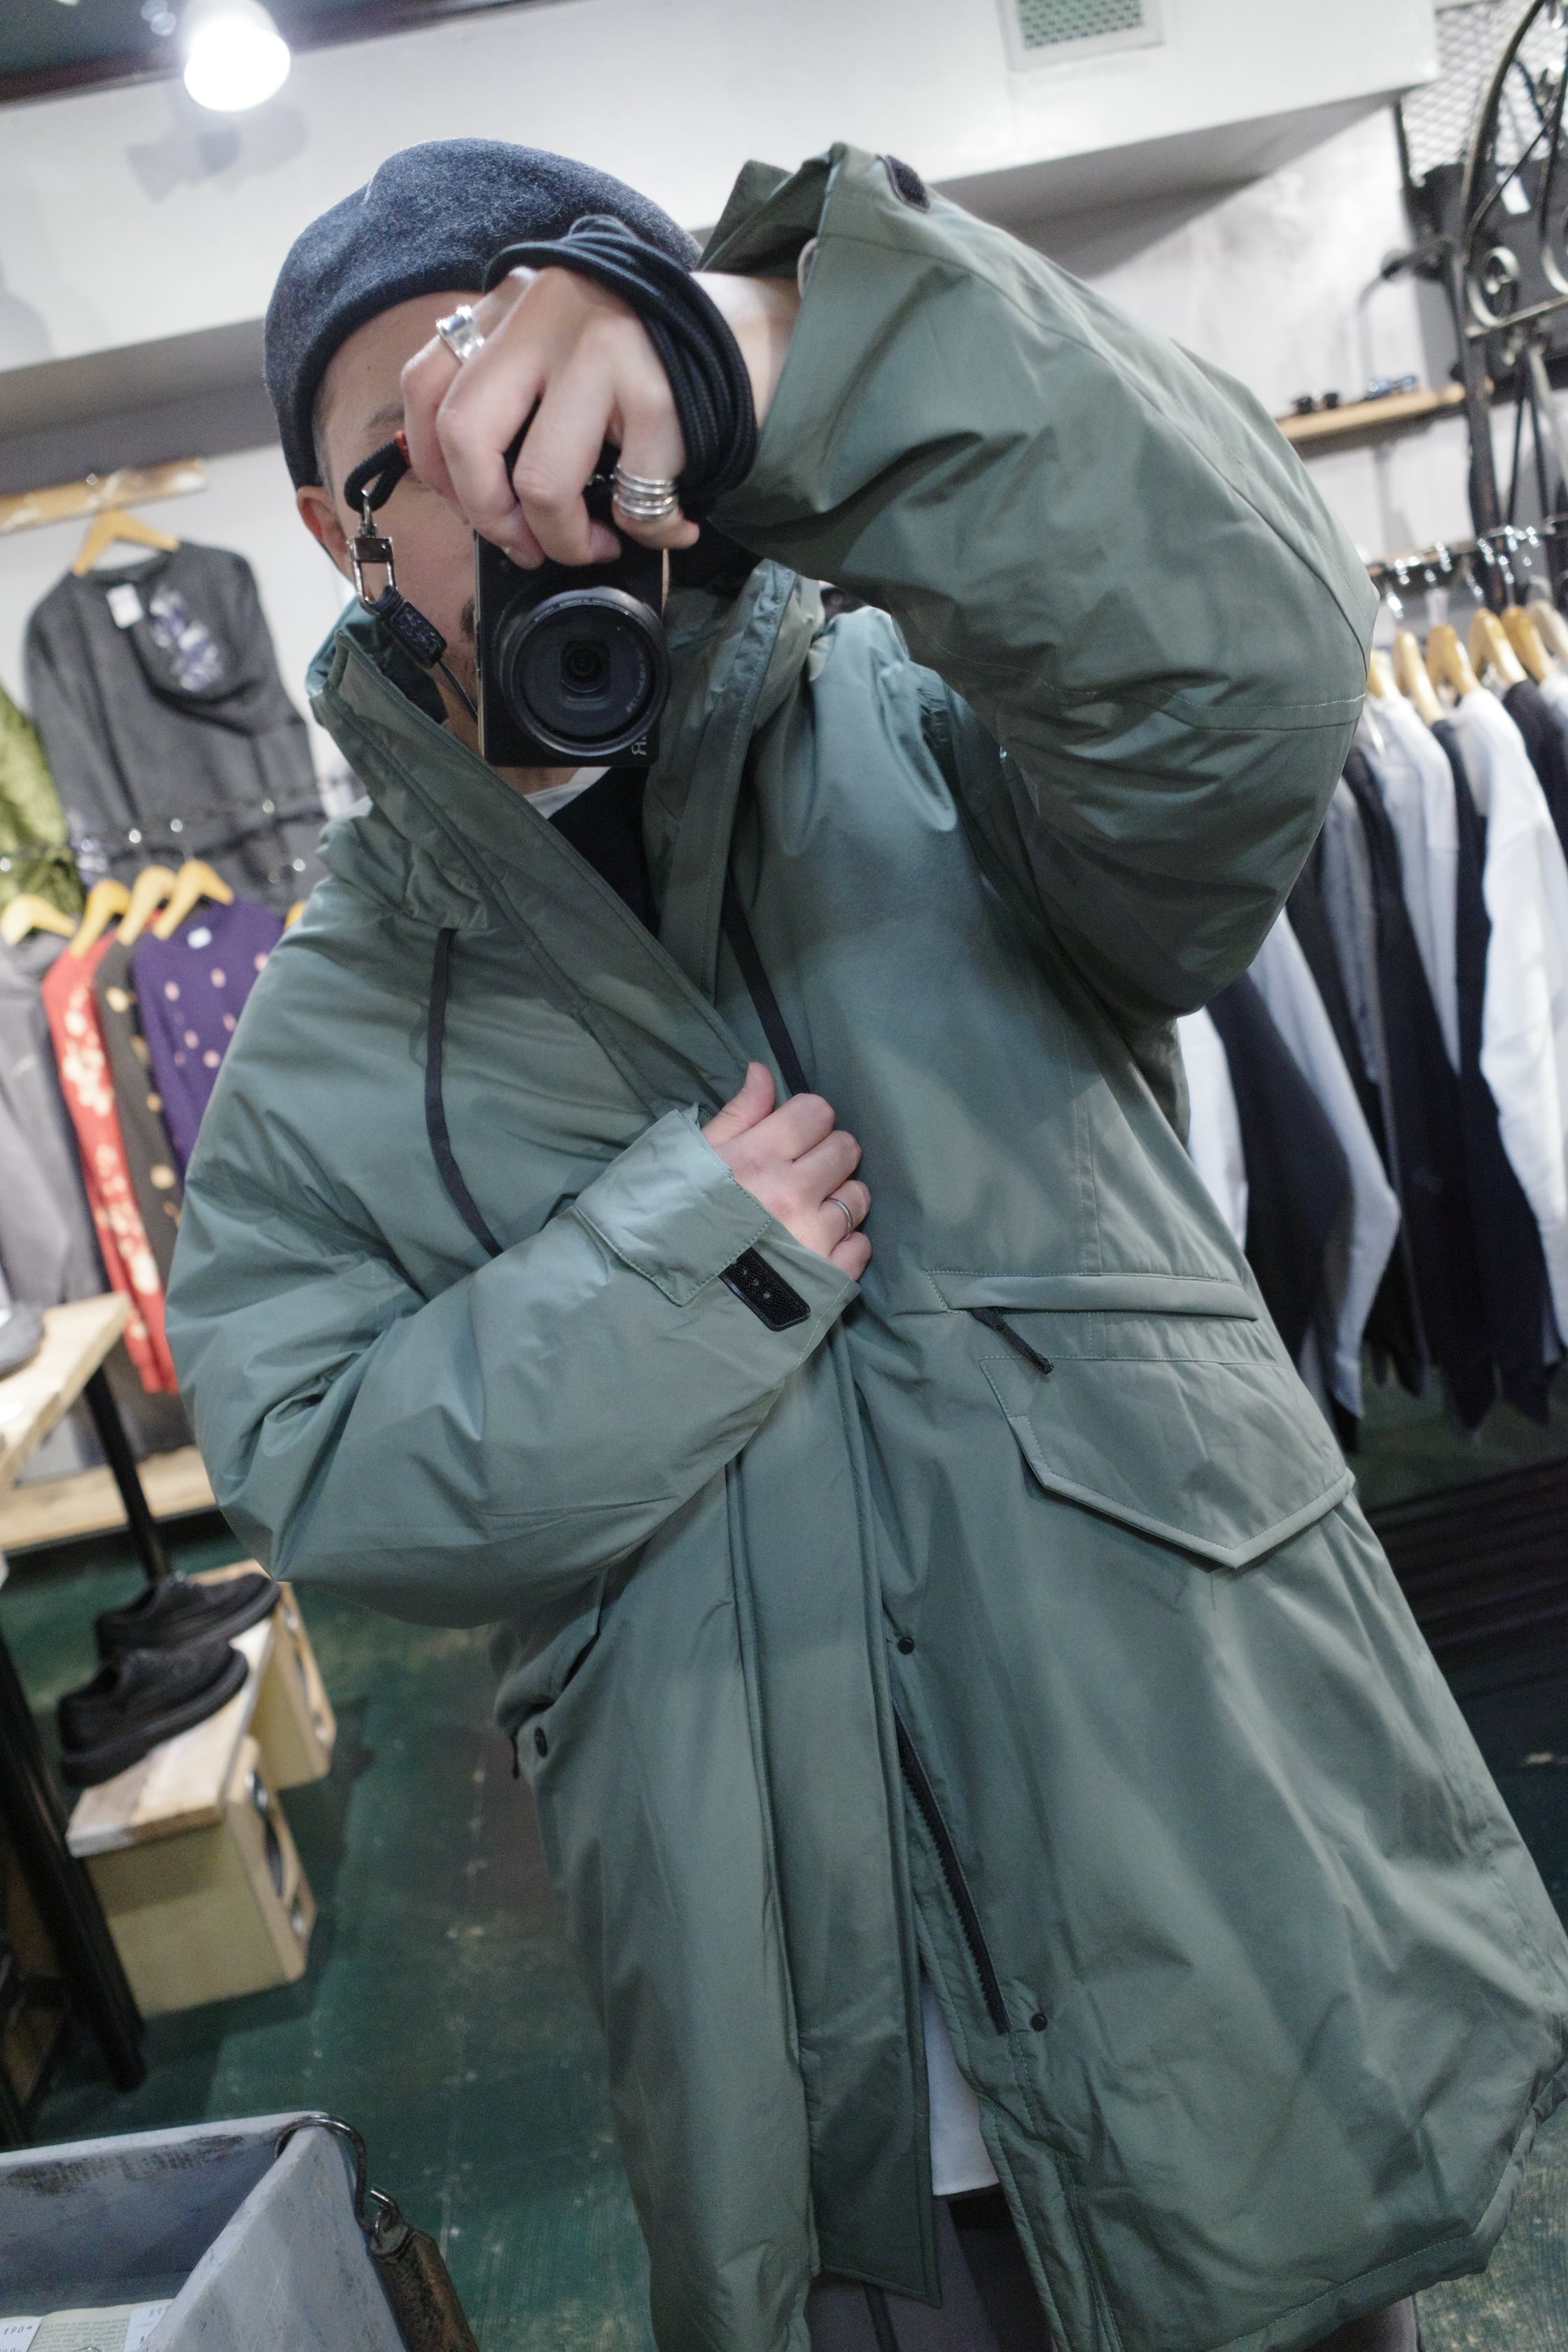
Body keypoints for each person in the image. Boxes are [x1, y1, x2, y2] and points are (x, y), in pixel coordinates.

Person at [167, 136, 1568, 2352]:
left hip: (1202, 1929)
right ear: (340, 535)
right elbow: (308, 1454)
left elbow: (1251, 670)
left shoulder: (939, 717)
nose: (504, 481)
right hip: (811, 2070)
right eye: (417, 442)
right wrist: (689, 1267)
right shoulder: (338, 1014)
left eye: (536, 390)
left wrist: (796, 343)